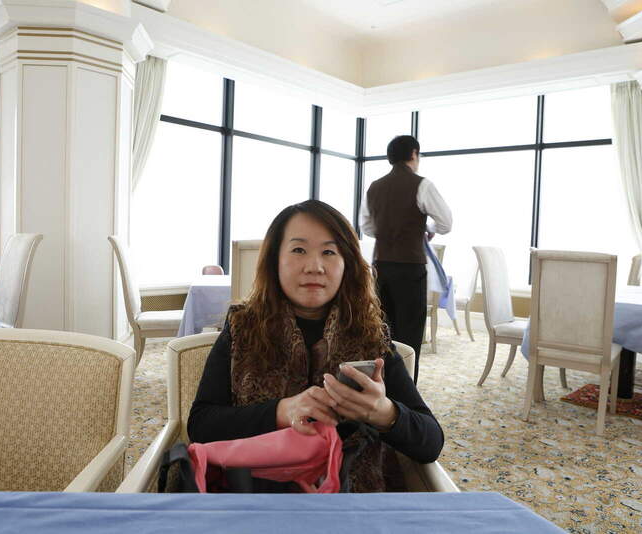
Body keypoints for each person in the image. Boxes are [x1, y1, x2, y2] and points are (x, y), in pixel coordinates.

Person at [188, 200, 444, 493]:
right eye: (298, 250)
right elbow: (201, 426)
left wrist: (383, 412)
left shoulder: (370, 336)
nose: (315, 267)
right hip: (256, 497)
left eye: (329, 252)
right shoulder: (242, 328)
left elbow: (431, 442)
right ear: (274, 260)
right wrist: (282, 411)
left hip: (350, 501)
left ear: (347, 264)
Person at [359, 135, 452, 383]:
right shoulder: (422, 185)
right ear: (414, 154)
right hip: (410, 268)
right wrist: (426, 228)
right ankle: (408, 388)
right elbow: (445, 223)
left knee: (382, 330)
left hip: (380, 267)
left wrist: (388, 230)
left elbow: (366, 226)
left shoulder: (374, 187)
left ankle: (382, 385)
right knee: (410, 333)